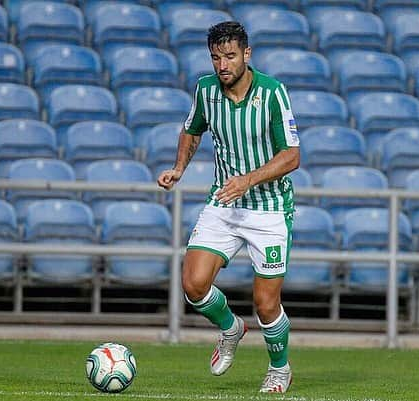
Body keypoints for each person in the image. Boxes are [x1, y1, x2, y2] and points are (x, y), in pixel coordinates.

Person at [157, 21, 300, 393]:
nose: (222, 65)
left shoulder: (272, 93)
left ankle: (279, 368)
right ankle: (231, 328)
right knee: (194, 284)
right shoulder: (206, 91)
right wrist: (179, 169)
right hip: (224, 203)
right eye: (216, 57)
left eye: (230, 56)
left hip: (267, 209)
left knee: (266, 305)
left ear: (247, 55)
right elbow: (192, 130)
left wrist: (248, 180)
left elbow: (292, 156)